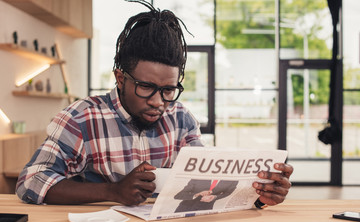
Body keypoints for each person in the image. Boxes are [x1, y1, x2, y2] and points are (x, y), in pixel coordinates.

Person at [15, 0, 293, 208]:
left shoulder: (181, 119)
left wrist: (258, 196)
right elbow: (30, 181)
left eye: (169, 89)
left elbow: (203, 186)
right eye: (146, 87)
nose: (159, 102)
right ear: (120, 78)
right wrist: (112, 192)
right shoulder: (81, 118)